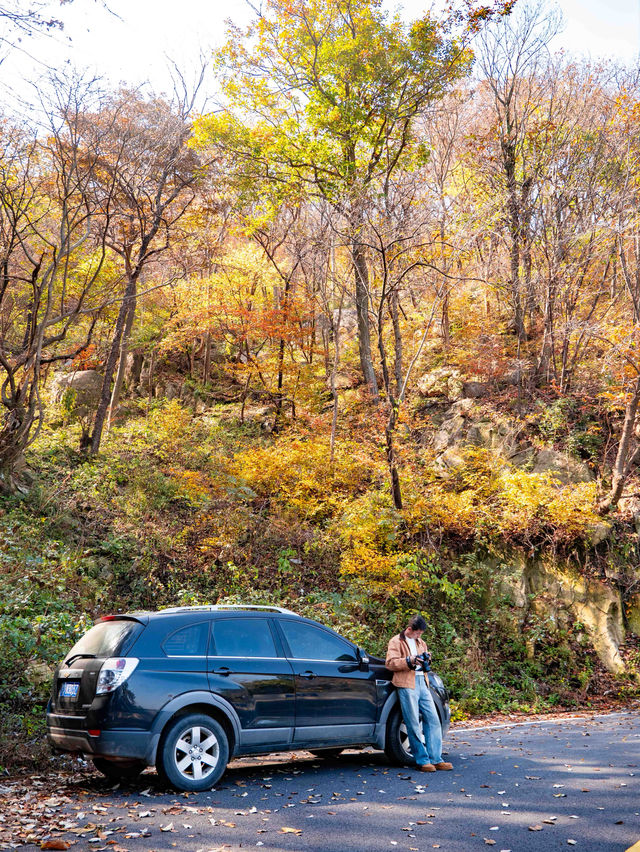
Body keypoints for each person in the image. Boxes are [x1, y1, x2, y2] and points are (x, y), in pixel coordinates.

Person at [385, 615, 453, 773]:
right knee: (413, 721)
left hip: (423, 682)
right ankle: (422, 760)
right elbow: (390, 663)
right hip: (406, 683)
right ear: (409, 629)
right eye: (417, 633)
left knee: (433, 719)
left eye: (421, 634)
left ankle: (436, 759)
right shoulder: (396, 641)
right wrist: (409, 661)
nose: (419, 636)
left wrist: (426, 660)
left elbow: (425, 662)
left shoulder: (421, 642)